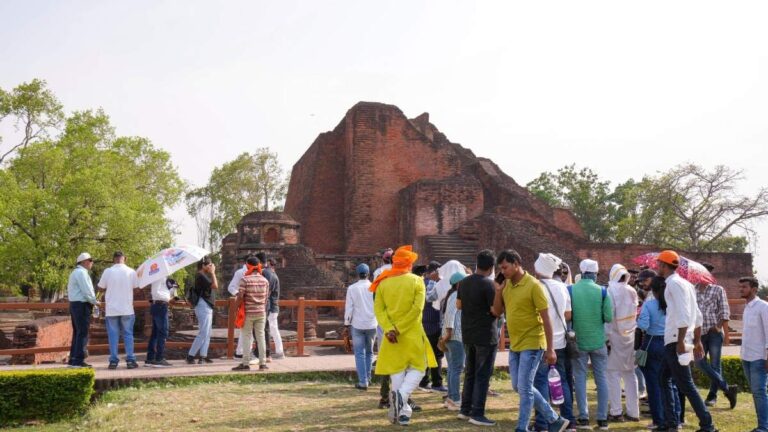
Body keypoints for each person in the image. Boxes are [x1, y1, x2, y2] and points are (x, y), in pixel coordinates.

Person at [492, 250, 570, 432]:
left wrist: (550, 349)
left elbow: (546, 319)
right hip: (516, 344)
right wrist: (498, 291)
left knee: (525, 386)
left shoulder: (534, 285)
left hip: (534, 342)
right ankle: (554, 418)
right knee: (518, 386)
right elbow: (496, 312)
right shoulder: (507, 285)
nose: (502, 271)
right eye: (501, 268)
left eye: (505, 267)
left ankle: (522, 427)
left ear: (516, 264)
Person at [372, 245, 437, 426]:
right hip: (412, 333)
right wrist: (400, 328)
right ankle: (402, 399)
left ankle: (402, 411)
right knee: (419, 368)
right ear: (409, 263)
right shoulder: (417, 281)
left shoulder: (383, 282)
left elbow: (378, 309)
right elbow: (417, 309)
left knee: (397, 372)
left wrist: (390, 328)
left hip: (391, 335)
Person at [656, 250, 717, 432]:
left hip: (676, 339)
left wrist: (682, 341)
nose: (657, 266)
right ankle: (671, 423)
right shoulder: (686, 284)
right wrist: (697, 341)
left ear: (664, 265)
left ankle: (707, 424)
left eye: (659, 264)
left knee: (686, 384)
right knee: (663, 378)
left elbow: (684, 315)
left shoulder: (673, 284)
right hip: (679, 338)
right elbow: (697, 315)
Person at [532, 253, 575, 432]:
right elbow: (568, 314)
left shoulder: (534, 287)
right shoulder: (562, 287)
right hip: (560, 341)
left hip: (542, 341)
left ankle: (542, 423)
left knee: (541, 381)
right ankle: (568, 420)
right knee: (563, 380)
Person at [457, 250, 501, 426]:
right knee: (482, 375)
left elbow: (458, 305)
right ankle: (477, 412)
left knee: (470, 372)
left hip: (468, 332)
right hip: (485, 335)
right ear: (492, 267)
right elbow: (495, 311)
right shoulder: (489, 285)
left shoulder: (464, 282)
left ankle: (465, 409)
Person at [570, 258, 612, 430]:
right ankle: (602, 419)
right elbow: (609, 317)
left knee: (579, 378)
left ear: (581, 272)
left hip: (578, 341)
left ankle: (584, 417)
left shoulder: (570, 290)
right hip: (598, 341)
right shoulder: (603, 291)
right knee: (601, 378)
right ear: (595, 274)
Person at [638, 276, 680, 431]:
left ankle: (659, 420)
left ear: (653, 290)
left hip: (653, 343)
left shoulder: (649, 305)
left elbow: (643, 325)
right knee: (671, 383)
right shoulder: (673, 304)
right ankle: (675, 418)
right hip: (670, 342)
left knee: (654, 384)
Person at [696, 263, 738, 408]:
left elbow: (725, 311)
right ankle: (727, 389)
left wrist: (719, 326)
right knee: (699, 362)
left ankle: (712, 396)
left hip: (714, 332)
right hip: (698, 333)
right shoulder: (692, 290)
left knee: (715, 365)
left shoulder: (718, 289)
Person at [604, 264, 640, 423]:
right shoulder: (632, 291)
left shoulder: (610, 291)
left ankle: (616, 411)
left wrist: (606, 337)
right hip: (631, 336)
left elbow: (609, 317)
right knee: (630, 374)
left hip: (615, 336)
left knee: (612, 374)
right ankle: (634, 412)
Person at [98, 251, 140, 370]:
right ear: (124, 259)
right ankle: (130, 361)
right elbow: (137, 289)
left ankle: (113, 361)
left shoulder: (108, 271)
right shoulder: (131, 271)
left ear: (113, 259)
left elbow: (100, 288)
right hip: (127, 308)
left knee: (113, 335)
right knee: (128, 335)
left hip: (111, 309)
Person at [738, 276, 768, 432]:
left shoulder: (763, 306)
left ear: (754, 289)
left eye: (744, 287)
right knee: (756, 393)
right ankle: (762, 425)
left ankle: (763, 427)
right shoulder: (747, 307)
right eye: (740, 286)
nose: (741, 289)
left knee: (759, 392)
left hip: (759, 357)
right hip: (746, 356)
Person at [232, 256, 270, 371]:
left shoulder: (245, 279)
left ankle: (245, 363)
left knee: (247, 337)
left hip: (248, 312)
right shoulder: (265, 281)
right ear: (258, 266)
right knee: (261, 337)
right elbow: (266, 298)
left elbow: (240, 297)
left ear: (248, 265)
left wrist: (235, 307)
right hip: (261, 312)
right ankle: (262, 363)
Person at [344, 263, 377, 390]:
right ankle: (368, 378)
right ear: (368, 274)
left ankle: (363, 381)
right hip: (372, 323)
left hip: (357, 324)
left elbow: (349, 308)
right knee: (369, 352)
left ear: (358, 274)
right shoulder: (375, 287)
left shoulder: (352, 288)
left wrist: (346, 324)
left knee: (359, 353)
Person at [438, 271, 466, 411]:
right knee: (457, 368)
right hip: (455, 336)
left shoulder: (451, 295)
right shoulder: (456, 295)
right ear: (460, 284)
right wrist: (449, 332)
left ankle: (451, 397)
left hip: (451, 336)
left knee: (452, 368)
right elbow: (450, 315)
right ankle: (455, 398)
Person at [67, 252, 97, 368]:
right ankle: (78, 361)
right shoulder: (82, 273)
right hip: (82, 305)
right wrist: (94, 301)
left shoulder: (75, 272)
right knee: (82, 333)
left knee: (77, 332)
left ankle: (73, 359)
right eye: (90, 260)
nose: (92, 263)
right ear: (84, 262)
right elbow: (87, 291)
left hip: (75, 304)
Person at [187, 256, 218, 364]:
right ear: (203, 266)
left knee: (207, 332)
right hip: (203, 305)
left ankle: (203, 356)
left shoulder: (203, 275)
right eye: (209, 265)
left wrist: (211, 272)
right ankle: (190, 356)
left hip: (207, 305)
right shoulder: (200, 275)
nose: (211, 267)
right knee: (203, 332)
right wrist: (213, 273)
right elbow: (215, 285)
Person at [146, 277, 178, 367]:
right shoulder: (158, 278)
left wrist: (174, 289)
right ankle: (159, 358)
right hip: (160, 305)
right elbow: (155, 293)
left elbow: (171, 295)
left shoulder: (166, 279)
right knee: (163, 332)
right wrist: (168, 299)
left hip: (159, 306)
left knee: (155, 333)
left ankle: (150, 358)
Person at [228, 255, 250, 358]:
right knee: (244, 327)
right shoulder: (240, 273)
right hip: (243, 303)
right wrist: (239, 295)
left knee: (249, 328)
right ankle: (240, 352)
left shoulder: (256, 273)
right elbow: (231, 287)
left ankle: (243, 351)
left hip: (252, 304)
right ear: (246, 263)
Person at [266, 257, 285, 359]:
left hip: (272, 307)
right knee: (271, 329)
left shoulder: (272, 276)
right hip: (272, 306)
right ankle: (278, 351)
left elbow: (267, 293)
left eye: (267, 264)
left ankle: (280, 352)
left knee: (273, 329)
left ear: (271, 265)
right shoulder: (273, 275)